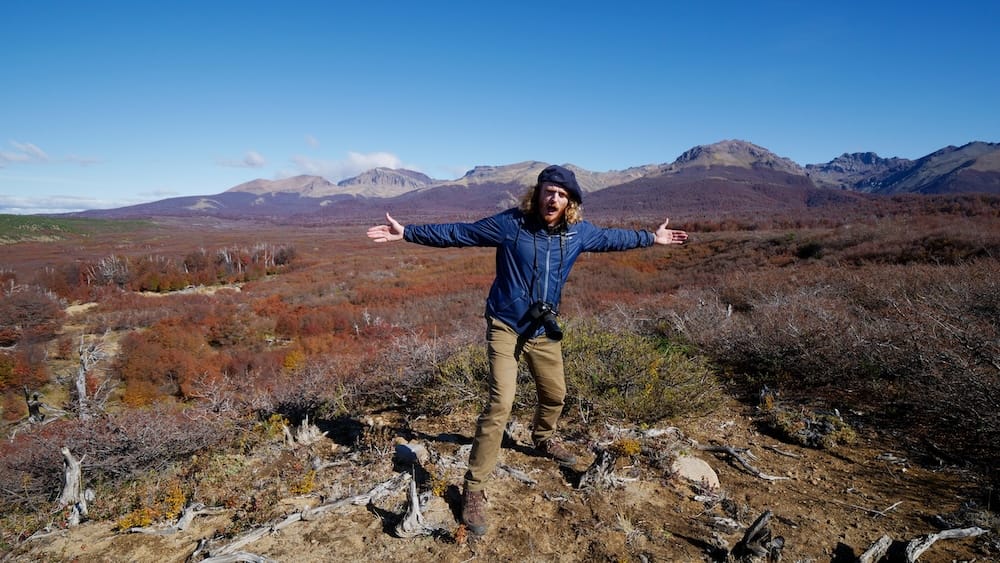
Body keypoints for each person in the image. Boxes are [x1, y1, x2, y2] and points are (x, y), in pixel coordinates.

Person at [367, 164, 688, 535]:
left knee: (555, 394)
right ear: (537, 194)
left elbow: (615, 239)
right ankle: (474, 488)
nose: (553, 198)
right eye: (548, 191)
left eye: (562, 194)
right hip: (505, 324)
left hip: (542, 327)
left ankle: (543, 438)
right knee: (500, 403)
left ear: (571, 202)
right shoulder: (510, 225)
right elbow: (460, 232)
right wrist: (408, 233)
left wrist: (651, 238)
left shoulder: (578, 233)